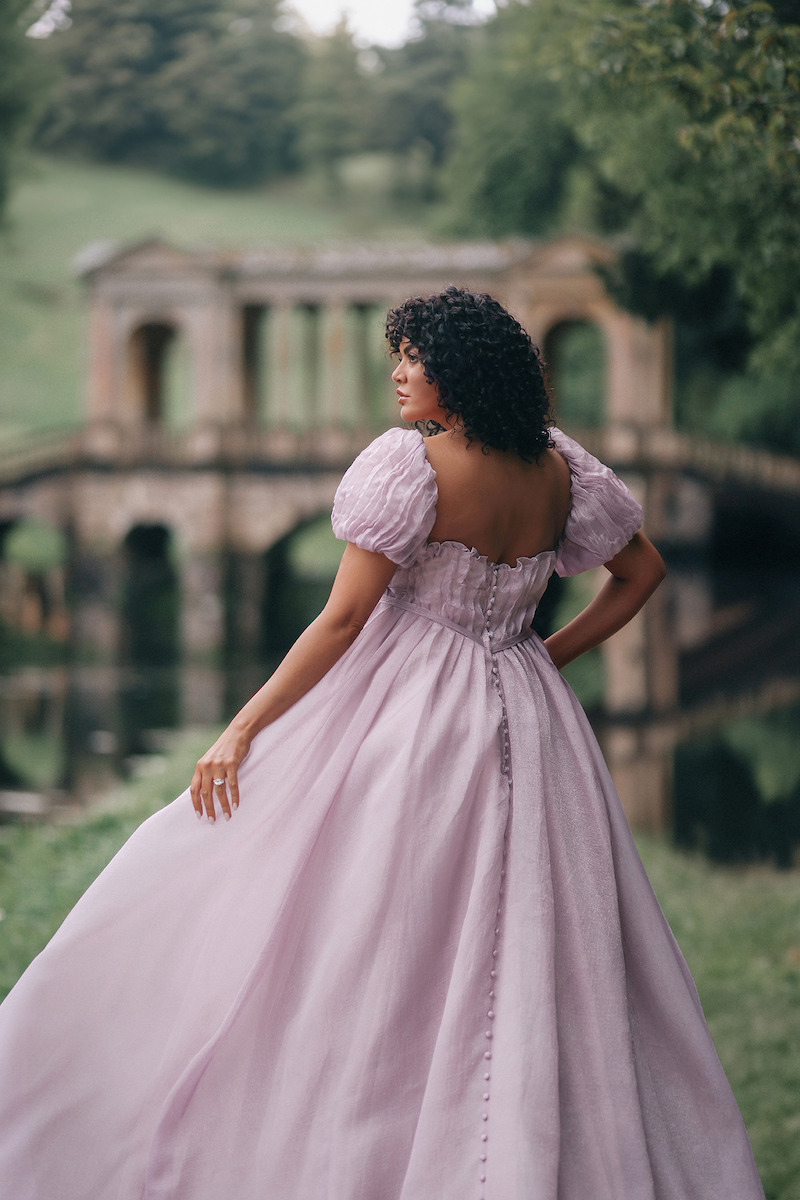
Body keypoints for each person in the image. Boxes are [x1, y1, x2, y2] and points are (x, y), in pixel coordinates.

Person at [0, 288, 763, 1200]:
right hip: (524, 708)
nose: (397, 375)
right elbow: (641, 574)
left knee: (360, 922)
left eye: (413, 357)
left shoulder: (414, 466)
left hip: (409, 714)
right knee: (523, 927)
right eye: (395, 356)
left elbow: (343, 620)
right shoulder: (561, 470)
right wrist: (542, 659)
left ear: (460, 370)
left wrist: (241, 726)